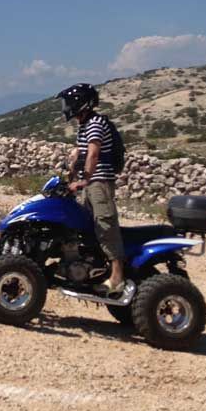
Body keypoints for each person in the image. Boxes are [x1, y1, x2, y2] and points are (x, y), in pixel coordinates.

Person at [56, 83, 126, 297]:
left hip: (98, 182)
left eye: (69, 103)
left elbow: (93, 154)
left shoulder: (95, 123)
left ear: (81, 103)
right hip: (90, 183)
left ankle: (117, 277)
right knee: (86, 225)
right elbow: (79, 153)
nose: (66, 107)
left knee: (105, 224)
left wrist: (84, 180)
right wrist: (69, 174)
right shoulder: (85, 125)